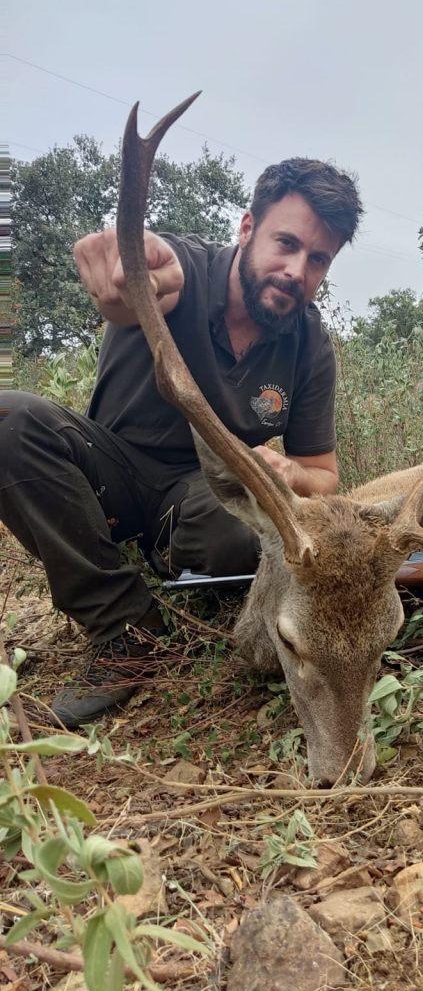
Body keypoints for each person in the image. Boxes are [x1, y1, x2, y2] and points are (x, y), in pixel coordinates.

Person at [0, 157, 363, 727]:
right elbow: (135, 283)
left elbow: (323, 474)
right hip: (109, 473)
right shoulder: (183, 268)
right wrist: (129, 270)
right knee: (8, 419)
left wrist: (285, 472)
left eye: (317, 259)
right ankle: (124, 629)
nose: (296, 270)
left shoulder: (309, 343)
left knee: (250, 534)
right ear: (247, 229)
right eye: (285, 243)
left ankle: (183, 571)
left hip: (202, 496)